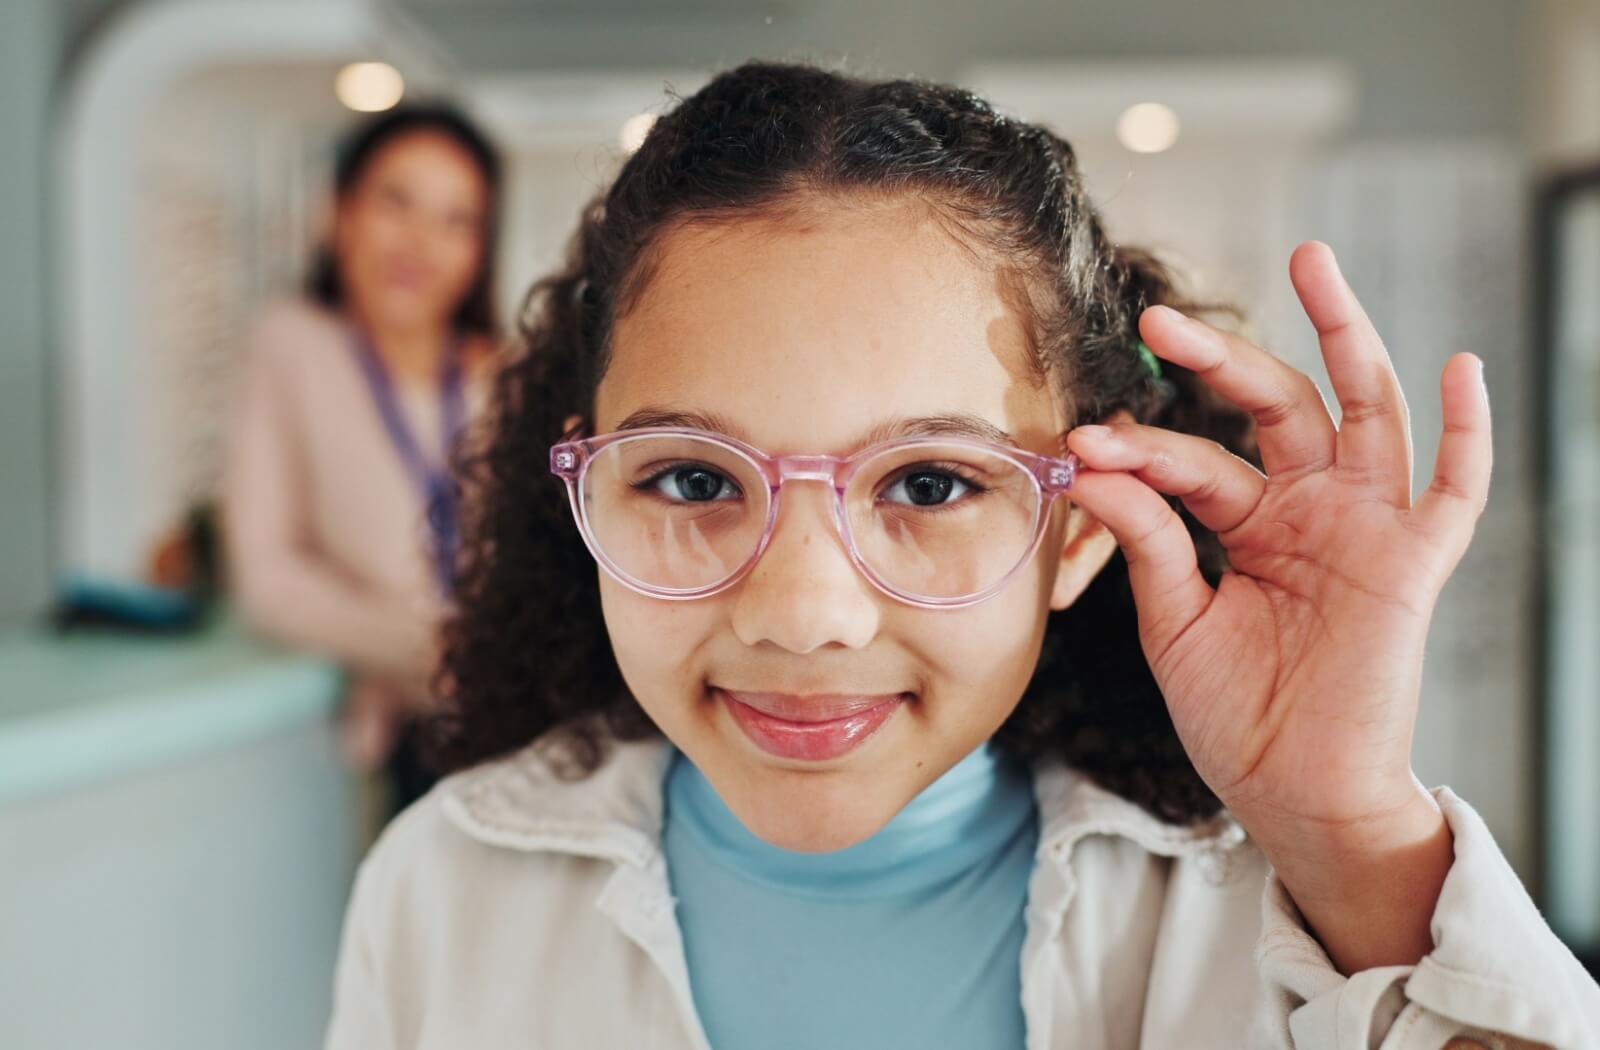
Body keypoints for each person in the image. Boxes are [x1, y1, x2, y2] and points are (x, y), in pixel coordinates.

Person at [324, 64, 1600, 1048]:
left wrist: (1353, 838)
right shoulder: (443, 891)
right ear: (589, 487)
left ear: (1086, 525)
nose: (804, 615)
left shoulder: (1247, 923)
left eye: (930, 483)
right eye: (694, 479)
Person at [223, 103, 503, 815]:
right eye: (396, 202)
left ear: (480, 251)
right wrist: (429, 650)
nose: (420, 242)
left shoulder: (505, 375)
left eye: (456, 220)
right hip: (423, 732)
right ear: (341, 212)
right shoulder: (294, 347)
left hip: (532, 716)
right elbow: (267, 577)